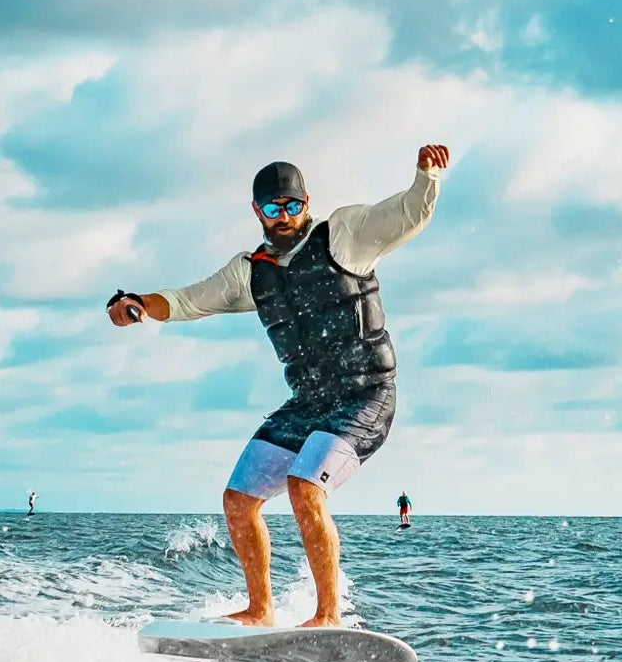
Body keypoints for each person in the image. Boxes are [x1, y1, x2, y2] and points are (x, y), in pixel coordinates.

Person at [107, 144, 450, 627]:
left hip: (365, 394)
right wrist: (138, 302)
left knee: (304, 487)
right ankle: (259, 609)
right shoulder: (249, 273)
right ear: (258, 212)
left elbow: (408, 214)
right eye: (273, 208)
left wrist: (427, 177)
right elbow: (188, 300)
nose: (284, 215)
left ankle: (328, 615)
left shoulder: (345, 234)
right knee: (239, 500)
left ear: (306, 203)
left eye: (292, 205)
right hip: (309, 403)